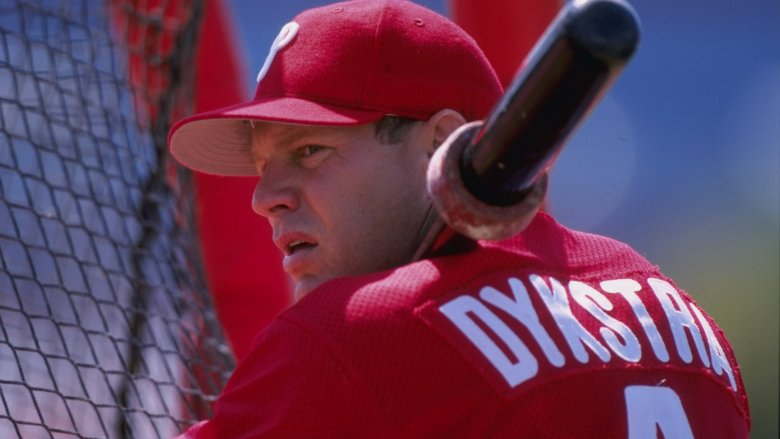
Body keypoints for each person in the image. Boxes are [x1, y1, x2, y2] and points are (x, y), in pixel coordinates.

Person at [168, 0, 750, 437]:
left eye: (310, 151)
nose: (264, 197)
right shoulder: (676, 309)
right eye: (263, 166)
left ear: (441, 141)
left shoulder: (351, 336)